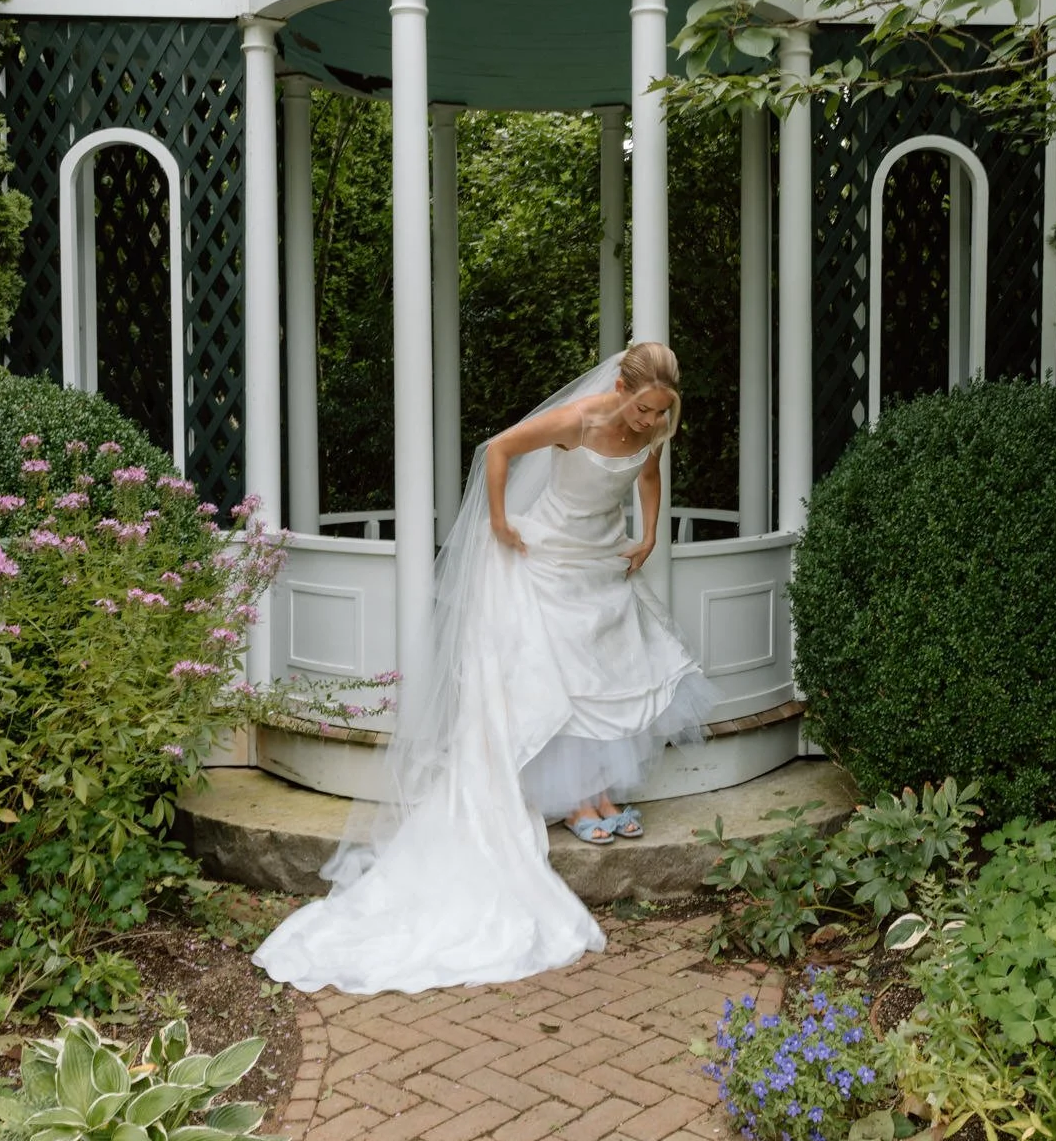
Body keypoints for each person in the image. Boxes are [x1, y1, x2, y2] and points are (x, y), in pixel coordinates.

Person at [251, 341, 716, 995]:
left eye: (660, 413)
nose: (648, 423)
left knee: (606, 676)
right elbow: (497, 450)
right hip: (547, 557)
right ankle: (581, 800)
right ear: (621, 386)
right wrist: (500, 521)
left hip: (600, 562)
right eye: (642, 409)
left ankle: (603, 792)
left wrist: (650, 533)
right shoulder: (577, 420)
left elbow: (646, 473)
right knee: (558, 678)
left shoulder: (654, 429)